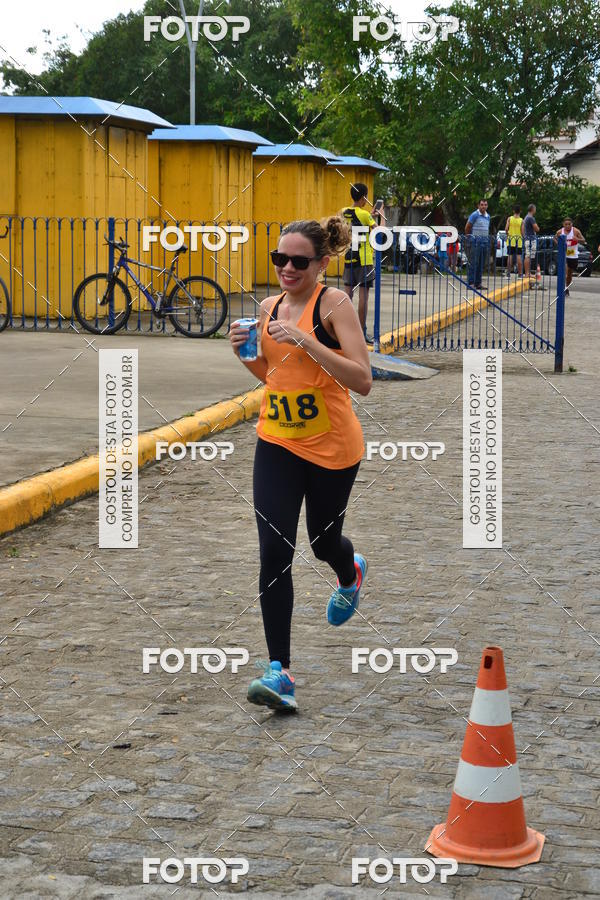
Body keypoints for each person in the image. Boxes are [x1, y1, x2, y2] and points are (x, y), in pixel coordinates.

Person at [229, 217, 372, 712]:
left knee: (322, 542)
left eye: (298, 261)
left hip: (331, 447)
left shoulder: (333, 305)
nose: (287, 268)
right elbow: (272, 377)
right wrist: (244, 351)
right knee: (274, 551)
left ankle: (349, 571)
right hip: (277, 443)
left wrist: (308, 340)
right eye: (279, 259)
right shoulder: (269, 308)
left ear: (321, 263)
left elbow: (363, 379)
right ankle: (279, 672)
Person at [341, 183, 381, 342]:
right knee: (363, 297)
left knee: (347, 296)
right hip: (364, 260)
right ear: (363, 196)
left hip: (349, 257)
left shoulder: (343, 212)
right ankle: (361, 332)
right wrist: (379, 216)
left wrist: (369, 215)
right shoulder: (365, 215)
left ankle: (344, 331)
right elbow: (378, 231)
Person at [554, 217, 586, 296]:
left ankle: (566, 287)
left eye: (569, 224)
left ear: (572, 224)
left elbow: (584, 240)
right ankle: (563, 288)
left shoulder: (575, 231)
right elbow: (554, 238)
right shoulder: (560, 232)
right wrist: (558, 244)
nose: (568, 226)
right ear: (563, 225)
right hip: (564, 254)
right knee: (565, 270)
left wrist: (577, 239)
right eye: (566, 224)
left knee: (569, 274)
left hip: (573, 255)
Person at [465, 198, 490, 290]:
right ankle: (471, 283)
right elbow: (467, 227)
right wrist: (469, 238)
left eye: (485, 205)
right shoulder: (474, 215)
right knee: (473, 263)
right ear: (478, 206)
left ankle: (478, 283)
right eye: (482, 205)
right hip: (475, 242)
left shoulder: (488, 216)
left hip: (484, 242)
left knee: (481, 264)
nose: (484, 206)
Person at [521, 204, 539, 280]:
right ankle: (527, 273)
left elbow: (522, 228)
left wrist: (524, 236)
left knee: (528, 255)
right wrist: (538, 228)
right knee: (528, 256)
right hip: (531, 239)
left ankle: (527, 273)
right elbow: (536, 229)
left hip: (527, 238)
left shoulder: (525, 217)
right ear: (533, 209)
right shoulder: (531, 218)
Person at [505, 204, 523, 277]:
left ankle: (508, 273)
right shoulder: (522, 220)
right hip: (518, 240)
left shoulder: (509, 218)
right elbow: (522, 232)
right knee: (519, 256)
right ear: (520, 211)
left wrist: (508, 234)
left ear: (513, 211)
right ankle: (520, 274)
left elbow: (506, 229)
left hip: (510, 239)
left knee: (510, 256)